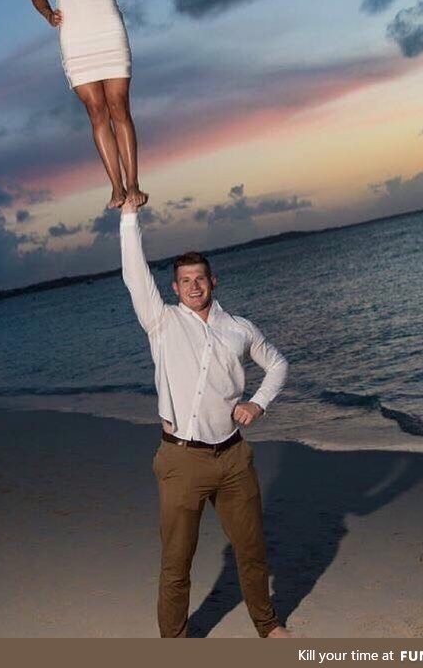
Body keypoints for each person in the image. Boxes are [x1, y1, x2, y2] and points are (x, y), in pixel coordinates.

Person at [119, 196, 292, 638]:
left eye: (199, 278)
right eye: (184, 281)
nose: (193, 286)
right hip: (181, 462)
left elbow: (278, 364)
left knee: (252, 551)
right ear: (174, 288)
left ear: (213, 280)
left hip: (234, 459)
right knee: (177, 562)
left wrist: (258, 403)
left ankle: (267, 625)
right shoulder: (161, 323)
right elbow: (135, 273)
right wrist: (129, 215)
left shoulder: (240, 328)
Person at [31, 0, 147, 209]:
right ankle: (116, 187)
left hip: (107, 28)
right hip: (75, 34)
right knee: (97, 112)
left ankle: (134, 183)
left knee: (119, 107)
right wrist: (48, 12)